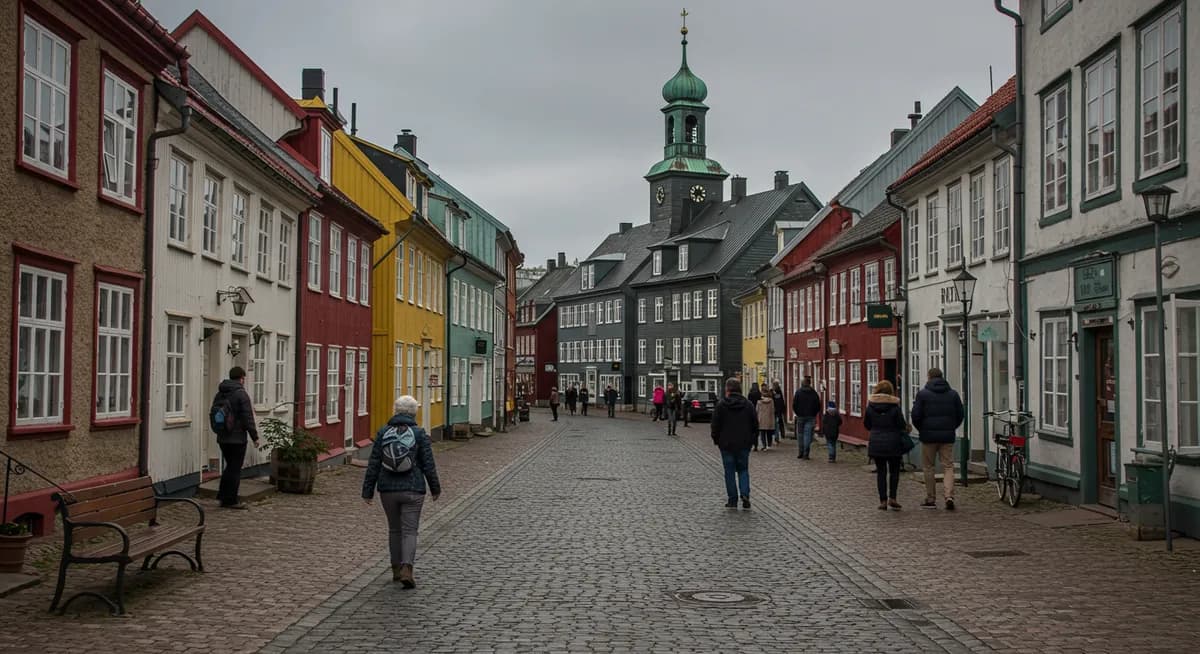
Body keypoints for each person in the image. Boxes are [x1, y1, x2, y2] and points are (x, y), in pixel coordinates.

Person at [362, 395, 441, 588]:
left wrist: (368, 490)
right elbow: (428, 463)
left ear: (395, 411)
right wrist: (435, 488)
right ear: (414, 412)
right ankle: (408, 568)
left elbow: (374, 463)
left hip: (387, 488)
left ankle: (396, 568)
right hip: (413, 488)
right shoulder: (419, 433)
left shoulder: (383, 432)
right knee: (410, 531)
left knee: (394, 530)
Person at [911, 368, 964, 510]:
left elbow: (915, 415)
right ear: (942, 377)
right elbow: (960, 414)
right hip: (947, 436)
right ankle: (949, 496)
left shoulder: (922, 395)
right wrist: (951, 426)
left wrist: (922, 428)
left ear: (929, 377)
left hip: (928, 437)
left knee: (929, 467)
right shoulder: (953, 394)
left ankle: (930, 499)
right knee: (948, 466)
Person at [212, 366, 259, 510]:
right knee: (234, 468)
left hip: (223, 436)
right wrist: (254, 436)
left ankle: (223, 496)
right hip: (237, 438)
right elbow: (247, 418)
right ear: (241, 378)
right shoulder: (241, 394)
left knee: (229, 467)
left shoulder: (220, 393)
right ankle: (230, 500)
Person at [712, 377, 758, 509]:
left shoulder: (721, 405)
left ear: (727, 389)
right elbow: (755, 424)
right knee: (743, 469)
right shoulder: (748, 405)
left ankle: (732, 499)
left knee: (729, 471)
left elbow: (715, 425)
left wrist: (716, 439)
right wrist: (753, 440)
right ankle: (745, 494)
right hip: (744, 443)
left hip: (726, 444)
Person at [863, 380, 908, 511]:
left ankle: (882, 500)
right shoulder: (895, 407)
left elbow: (867, 425)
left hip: (876, 442)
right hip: (893, 442)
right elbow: (901, 424)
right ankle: (892, 498)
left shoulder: (870, 407)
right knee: (894, 472)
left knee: (881, 472)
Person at [792, 376, 822, 460]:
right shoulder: (814, 393)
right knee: (807, 435)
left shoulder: (798, 392)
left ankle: (800, 452)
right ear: (810, 383)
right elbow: (818, 405)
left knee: (800, 435)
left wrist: (798, 413)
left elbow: (794, 404)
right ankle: (806, 453)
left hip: (800, 416)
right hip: (810, 416)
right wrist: (814, 413)